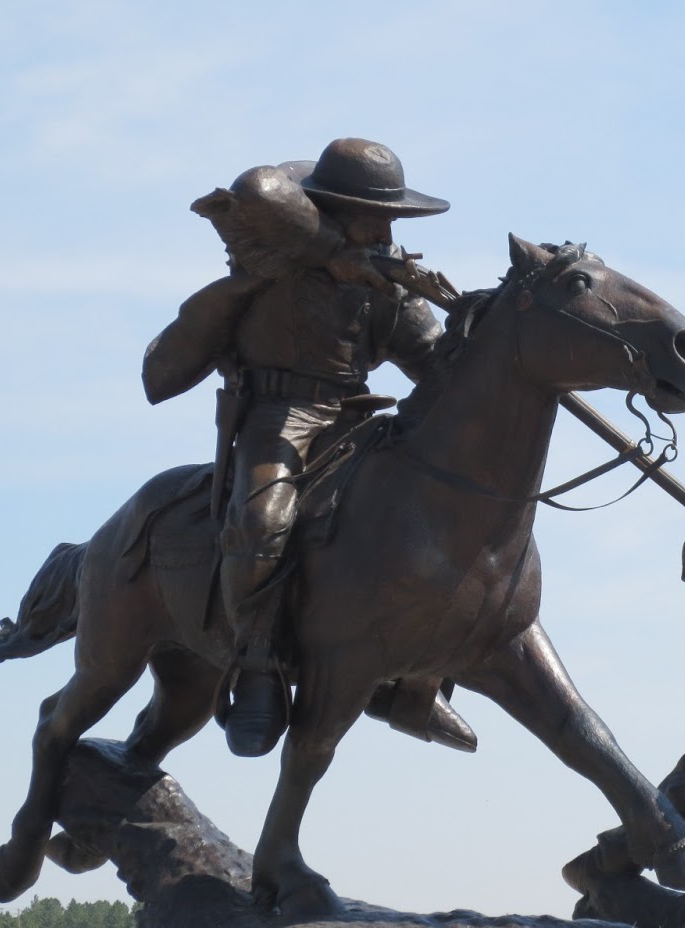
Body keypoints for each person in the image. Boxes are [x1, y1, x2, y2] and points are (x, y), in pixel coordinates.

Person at [142, 137, 463, 758]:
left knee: (435, 513)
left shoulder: (388, 280)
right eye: (375, 218)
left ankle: (417, 680)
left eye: (392, 219)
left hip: (356, 416)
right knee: (263, 519)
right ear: (334, 213)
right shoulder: (268, 272)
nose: (386, 230)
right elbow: (258, 188)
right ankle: (257, 665)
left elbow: (431, 363)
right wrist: (332, 255)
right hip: (277, 415)